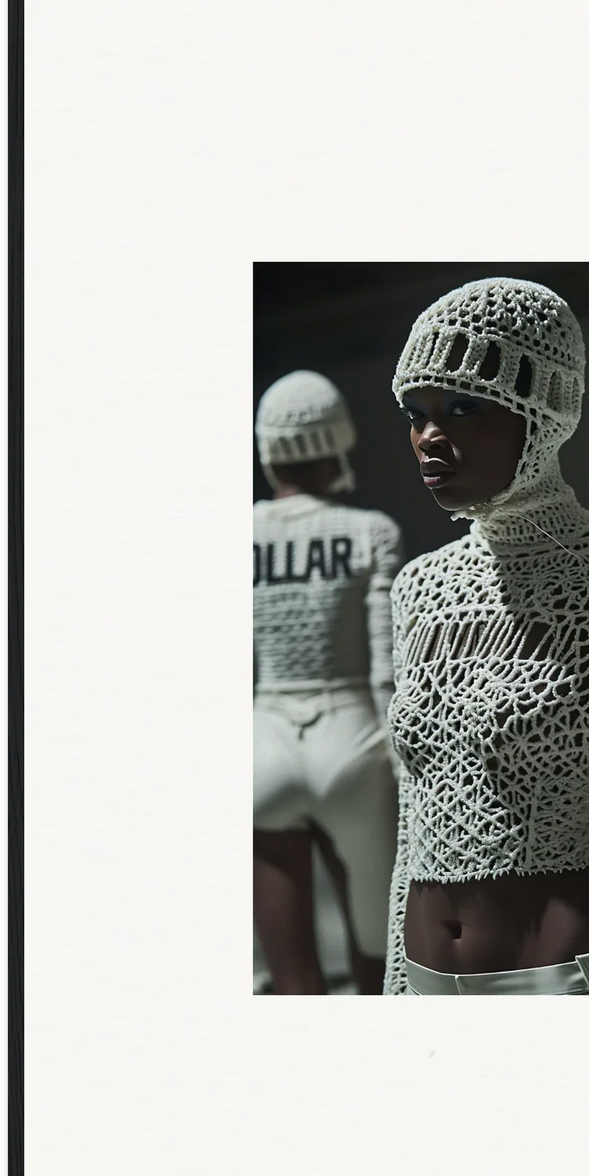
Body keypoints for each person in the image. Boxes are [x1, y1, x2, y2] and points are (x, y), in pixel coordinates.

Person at [384, 279, 589, 996]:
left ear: (542, 415)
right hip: (424, 972)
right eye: (416, 412)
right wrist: (393, 989)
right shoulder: (417, 589)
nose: (431, 435)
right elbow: (413, 825)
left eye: (464, 406)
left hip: (556, 975)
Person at [253, 371, 403, 995]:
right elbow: (385, 668)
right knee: (379, 962)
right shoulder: (372, 531)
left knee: (292, 984)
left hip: (263, 743)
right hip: (353, 742)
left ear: (268, 451)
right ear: (337, 441)